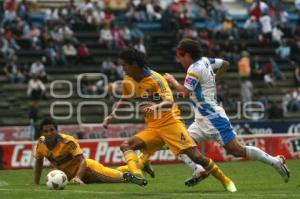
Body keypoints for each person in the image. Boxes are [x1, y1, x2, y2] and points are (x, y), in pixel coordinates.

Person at [102, 48, 236, 192]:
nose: (123, 69)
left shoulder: (156, 79)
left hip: (171, 123)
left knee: (197, 157)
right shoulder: (128, 80)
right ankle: (137, 175)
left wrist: (155, 107)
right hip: (153, 127)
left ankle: (225, 180)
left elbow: (169, 101)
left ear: (134, 64)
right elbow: (126, 97)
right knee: (126, 145)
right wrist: (113, 114)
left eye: (124, 66)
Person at [163, 38, 290, 185]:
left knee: (236, 150)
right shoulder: (206, 61)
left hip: (213, 117)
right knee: (181, 145)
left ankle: (275, 162)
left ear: (188, 55)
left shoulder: (194, 69)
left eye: (180, 56)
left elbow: (185, 92)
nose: (179, 60)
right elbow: (225, 64)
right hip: (201, 118)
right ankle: (199, 169)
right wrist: (214, 79)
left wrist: (172, 81)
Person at [34, 117, 138, 185]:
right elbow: (39, 162)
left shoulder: (68, 141)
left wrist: (78, 177)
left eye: (51, 130)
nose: (49, 133)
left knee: (117, 179)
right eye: (46, 131)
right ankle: (137, 165)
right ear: (41, 133)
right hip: (77, 179)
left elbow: (82, 160)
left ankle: (135, 171)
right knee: (110, 173)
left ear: (56, 130)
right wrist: (36, 183)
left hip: (88, 169)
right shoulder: (40, 144)